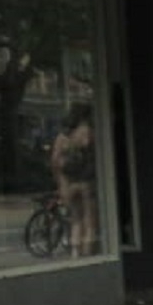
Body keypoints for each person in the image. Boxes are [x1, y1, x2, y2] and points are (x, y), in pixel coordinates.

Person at [50, 103, 97, 255]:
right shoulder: (87, 131)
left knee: (75, 219)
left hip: (69, 183)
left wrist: (60, 184)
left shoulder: (62, 137)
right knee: (89, 220)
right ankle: (88, 253)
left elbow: (55, 161)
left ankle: (75, 253)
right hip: (85, 181)